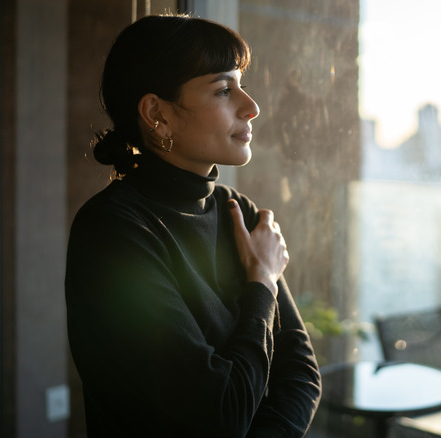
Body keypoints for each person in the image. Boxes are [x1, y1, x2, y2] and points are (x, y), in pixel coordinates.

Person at [65, 14, 321, 437]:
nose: (251, 105)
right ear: (157, 114)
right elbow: (218, 417)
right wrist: (262, 281)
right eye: (224, 89)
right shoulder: (112, 233)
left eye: (241, 83)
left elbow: (301, 374)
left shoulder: (239, 211)